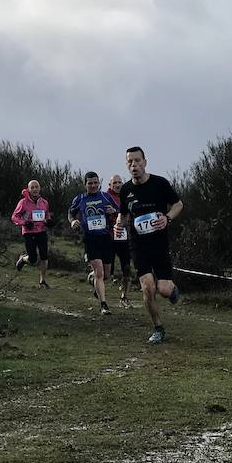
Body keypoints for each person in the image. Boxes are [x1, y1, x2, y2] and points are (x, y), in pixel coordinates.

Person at [116, 146, 183, 344]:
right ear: (127, 165)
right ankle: (158, 328)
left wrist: (167, 218)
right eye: (130, 161)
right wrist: (118, 225)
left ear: (145, 162)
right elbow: (123, 216)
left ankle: (172, 290)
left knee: (163, 289)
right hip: (138, 245)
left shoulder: (160, 183)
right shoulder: (125, 190)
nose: (134, 165)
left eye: (137, 161)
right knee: (147, 287)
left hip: (159, 244)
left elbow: (178, 204)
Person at [69, 171, 120, 315]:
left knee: (107, 274)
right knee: (100, 273)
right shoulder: (80, 198)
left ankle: (94, 280)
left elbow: (119, 211)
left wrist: (114, 210)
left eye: (95, 183)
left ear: (99, 183)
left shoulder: (106, 196)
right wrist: (73, 221)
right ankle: (103, 305)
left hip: (106, 238)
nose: (93, 185)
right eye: (90, 183)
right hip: (90, 238)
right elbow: (71, 212)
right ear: (85, 184)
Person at [12, 180, 53, 287]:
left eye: (36, 187)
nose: (35, 189)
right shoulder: (23, 202)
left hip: (41, 231)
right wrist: (24, 223)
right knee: (33, 259)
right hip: (28, 232)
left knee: (44, 256)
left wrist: (48, 221)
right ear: (29, 189)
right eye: (32, 187)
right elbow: (14, 217)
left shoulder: (44, 202)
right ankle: (23, 259)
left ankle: (42, 281)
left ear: (39, 188)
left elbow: (47, 215)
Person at [107, 172, 132, 305]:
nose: (117, 185)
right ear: (110, 185)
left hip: (124, 238)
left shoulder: (127, 196)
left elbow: (130, 212)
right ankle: (97, 283)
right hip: (110, 238)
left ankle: (124, 296)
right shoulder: (105, 197)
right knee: (108, 270)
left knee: (126, 268)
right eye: (115, 183)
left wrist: (116, 211)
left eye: (119, 182)